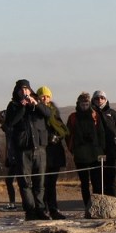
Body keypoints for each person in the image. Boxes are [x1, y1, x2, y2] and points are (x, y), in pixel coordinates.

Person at [3, 79, 52, 220]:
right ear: (17, 92)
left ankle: (41, 210)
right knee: (25, 183)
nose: (24, 92)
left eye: (26, 89)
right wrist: (22, 107)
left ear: (30, 90)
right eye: (21, 89)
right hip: (23, 150)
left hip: (40, 148)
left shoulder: (37, 102)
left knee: (40, 182)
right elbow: (10, 123)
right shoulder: (13, 105)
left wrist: (36, 104)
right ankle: (30, 211)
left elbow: (48, 114)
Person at [66, 92, 106, 218]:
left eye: (86, 104)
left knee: (97, 183)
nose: (84, 106)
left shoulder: (95, 115)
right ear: (78, 104)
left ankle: (97, 207)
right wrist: (72, 149)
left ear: (90, 104)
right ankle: (87, 207)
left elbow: (101, 134)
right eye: (82, 104)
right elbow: (68, 136)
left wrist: (101, 150)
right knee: (84, 183)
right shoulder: (73, 117)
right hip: (80, 156)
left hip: (95, 154)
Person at [37, 87, 69, 219]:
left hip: (54, 151)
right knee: (42, 183)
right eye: (42, 96)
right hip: (42, 150)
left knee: (51, 183)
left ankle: (53, 209)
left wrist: (57, 136)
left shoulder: (54, 112)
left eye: (47, 96)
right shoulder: (36, 112)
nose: (45, 99)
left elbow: (63, 129)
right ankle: (43, 209)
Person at [92, 90, 116, 198]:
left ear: (106, 99)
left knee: (111, 181)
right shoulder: (90, 114)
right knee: (97, 182)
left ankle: (113, 204)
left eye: (102, 98)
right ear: (93, 100)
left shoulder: (113, 114)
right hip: (96, 153)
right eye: (97, 98)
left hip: (112, 152)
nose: (99, 100)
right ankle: (99, 205)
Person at [0, 109, 17, 210]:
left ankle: (27, 204)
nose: (0, 121)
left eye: (2, 119)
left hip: (17, 159)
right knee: (9, 181)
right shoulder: (8, 130)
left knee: (22, 182)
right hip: (13, 158)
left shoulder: (12, 129)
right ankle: (13, 203)